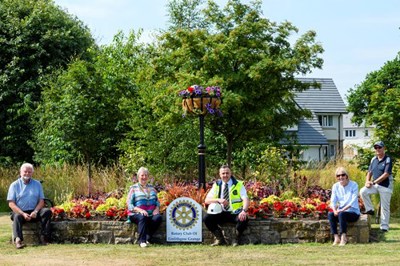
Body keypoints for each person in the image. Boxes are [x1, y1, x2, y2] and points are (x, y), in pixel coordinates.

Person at [7, 163, 52, 249]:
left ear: (32, 173)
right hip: (19, 212)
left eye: (29, 172)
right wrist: (23, 213)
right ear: (20, 172)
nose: (27, 173)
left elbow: (41, 201)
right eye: (25, 171)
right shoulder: (14, 185)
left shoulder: (37, 184)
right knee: (17, 216)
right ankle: (18, 241)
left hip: (34, 211)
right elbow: (11, 204)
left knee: (47, 211)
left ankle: (44, 237)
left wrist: (35, 211)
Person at [204, 165, 249, 246]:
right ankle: (220, 239)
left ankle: (235, 239)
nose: (225, 175)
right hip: (221, 212)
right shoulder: (216, 185)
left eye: (227, 173)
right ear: (220, 174)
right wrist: (218, 200)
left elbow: (245, 199)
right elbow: (207, 200)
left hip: (235, 213)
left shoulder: (238, 184)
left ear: (230, 173)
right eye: (223, 173)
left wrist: (243, 211)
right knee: (207, 219)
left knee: (243, 219)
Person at [360, 141, 393, 232]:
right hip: (376, 185)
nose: (377, 149)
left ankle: (384, 227)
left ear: (384, 148)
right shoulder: (373, 159)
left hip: (386, 186)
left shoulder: (388, 159)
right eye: (376, 148)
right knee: (363, 191)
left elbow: (386, 174)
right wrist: (367, 181)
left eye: (379, 147)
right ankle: (370, 209)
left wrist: (373, 182)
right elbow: (369, 172)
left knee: (385, 207)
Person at [127, 167, 162, 248]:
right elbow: (129, 204)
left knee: (158, 218)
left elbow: (157, 201)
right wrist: (140, 210)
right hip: (136, 213)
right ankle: (142, 241)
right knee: (142, 217)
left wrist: (156, 209)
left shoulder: (152, 188)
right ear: (138, 176)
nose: (144, 177)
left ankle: (148, 238)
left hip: (150, 214)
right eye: (142, 175)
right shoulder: (133, 188)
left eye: (146, 175)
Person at [328, 167, 360, 246]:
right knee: (330, 214)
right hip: (341, 212)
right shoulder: (335, 186)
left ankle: (343, 237)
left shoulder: (354, 185)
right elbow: (333, 201)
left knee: (342, 214)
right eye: (338, 176)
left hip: (353, 212)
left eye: (343, 175)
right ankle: (336, 237)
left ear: (346, 176)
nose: (340, 177)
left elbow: (352, 202)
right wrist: (335, 210)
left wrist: (342, 210)